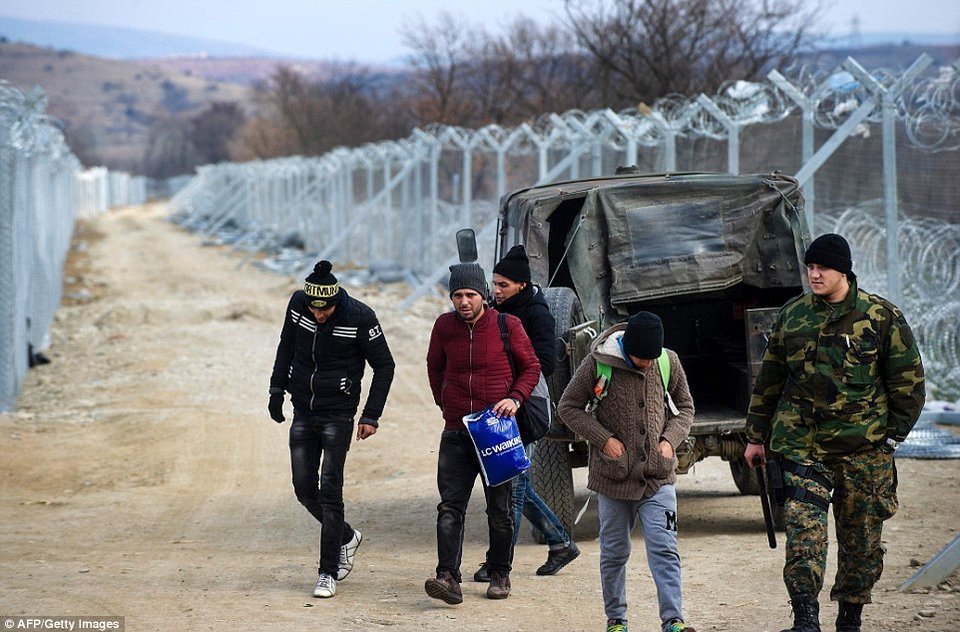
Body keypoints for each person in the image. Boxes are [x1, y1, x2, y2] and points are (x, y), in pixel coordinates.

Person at [743, 233, 925, 632]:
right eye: (810, 267)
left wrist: (890, 439)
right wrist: (755, 437)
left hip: (863, 452)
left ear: (843, 270)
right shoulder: (793, 316)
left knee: (861, 542)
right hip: (803, 448)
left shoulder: (880, 317)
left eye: (822, 267)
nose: (814, 274)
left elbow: (908, 385)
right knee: (803, 533)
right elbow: (770, 379)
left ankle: (849, 619)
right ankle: (805, 618)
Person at [559, 311, 697, 632]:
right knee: (614, 552)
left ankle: (673, 620)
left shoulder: (668, 361)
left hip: (657, 476)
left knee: (664, 549)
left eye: (652, 358)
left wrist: (670, 439)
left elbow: (685, 408)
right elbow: (568, 407)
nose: (648, 364)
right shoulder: (598, 362)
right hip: (613, 478)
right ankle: (616, 620)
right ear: (626, 348)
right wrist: (603, 439)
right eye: (641, 359)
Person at [268, 260, 395, 599]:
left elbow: (384, 365)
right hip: (303, 410)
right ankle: (347, 536)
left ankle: (327, 573)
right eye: (314, 308)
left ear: (337, 301)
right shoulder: (298, 305)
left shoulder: (360, 317)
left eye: (325, 309)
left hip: (338, 415)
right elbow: (285, 345)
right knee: (303, 488)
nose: (319, 314)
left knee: (330, 490)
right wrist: (276, 389)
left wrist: (371, 415)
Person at [424, 262, 541, 604]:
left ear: (483, 295)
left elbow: (531, 367)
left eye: (470, 295)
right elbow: (434, 367)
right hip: (457, 431)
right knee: (450, 507)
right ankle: (447, 577)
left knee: (500, 511)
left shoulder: (507, 325)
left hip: (496, 433)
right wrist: (445, 402)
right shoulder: (444, 327)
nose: (464, 301)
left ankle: (500, 572)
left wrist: (515, 398)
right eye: (457, 295)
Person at [472, 245, 580, 583]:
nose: (496, 290)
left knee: (513, 488)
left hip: (526, 407)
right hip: (500, 410)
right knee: (519, 483)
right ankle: (561, 543)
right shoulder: (496, 310)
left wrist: (510, 380)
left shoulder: (537, 314)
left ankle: (498, 563)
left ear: (521, 284)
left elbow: (546, 363)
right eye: (495, 284)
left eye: (503, 285)